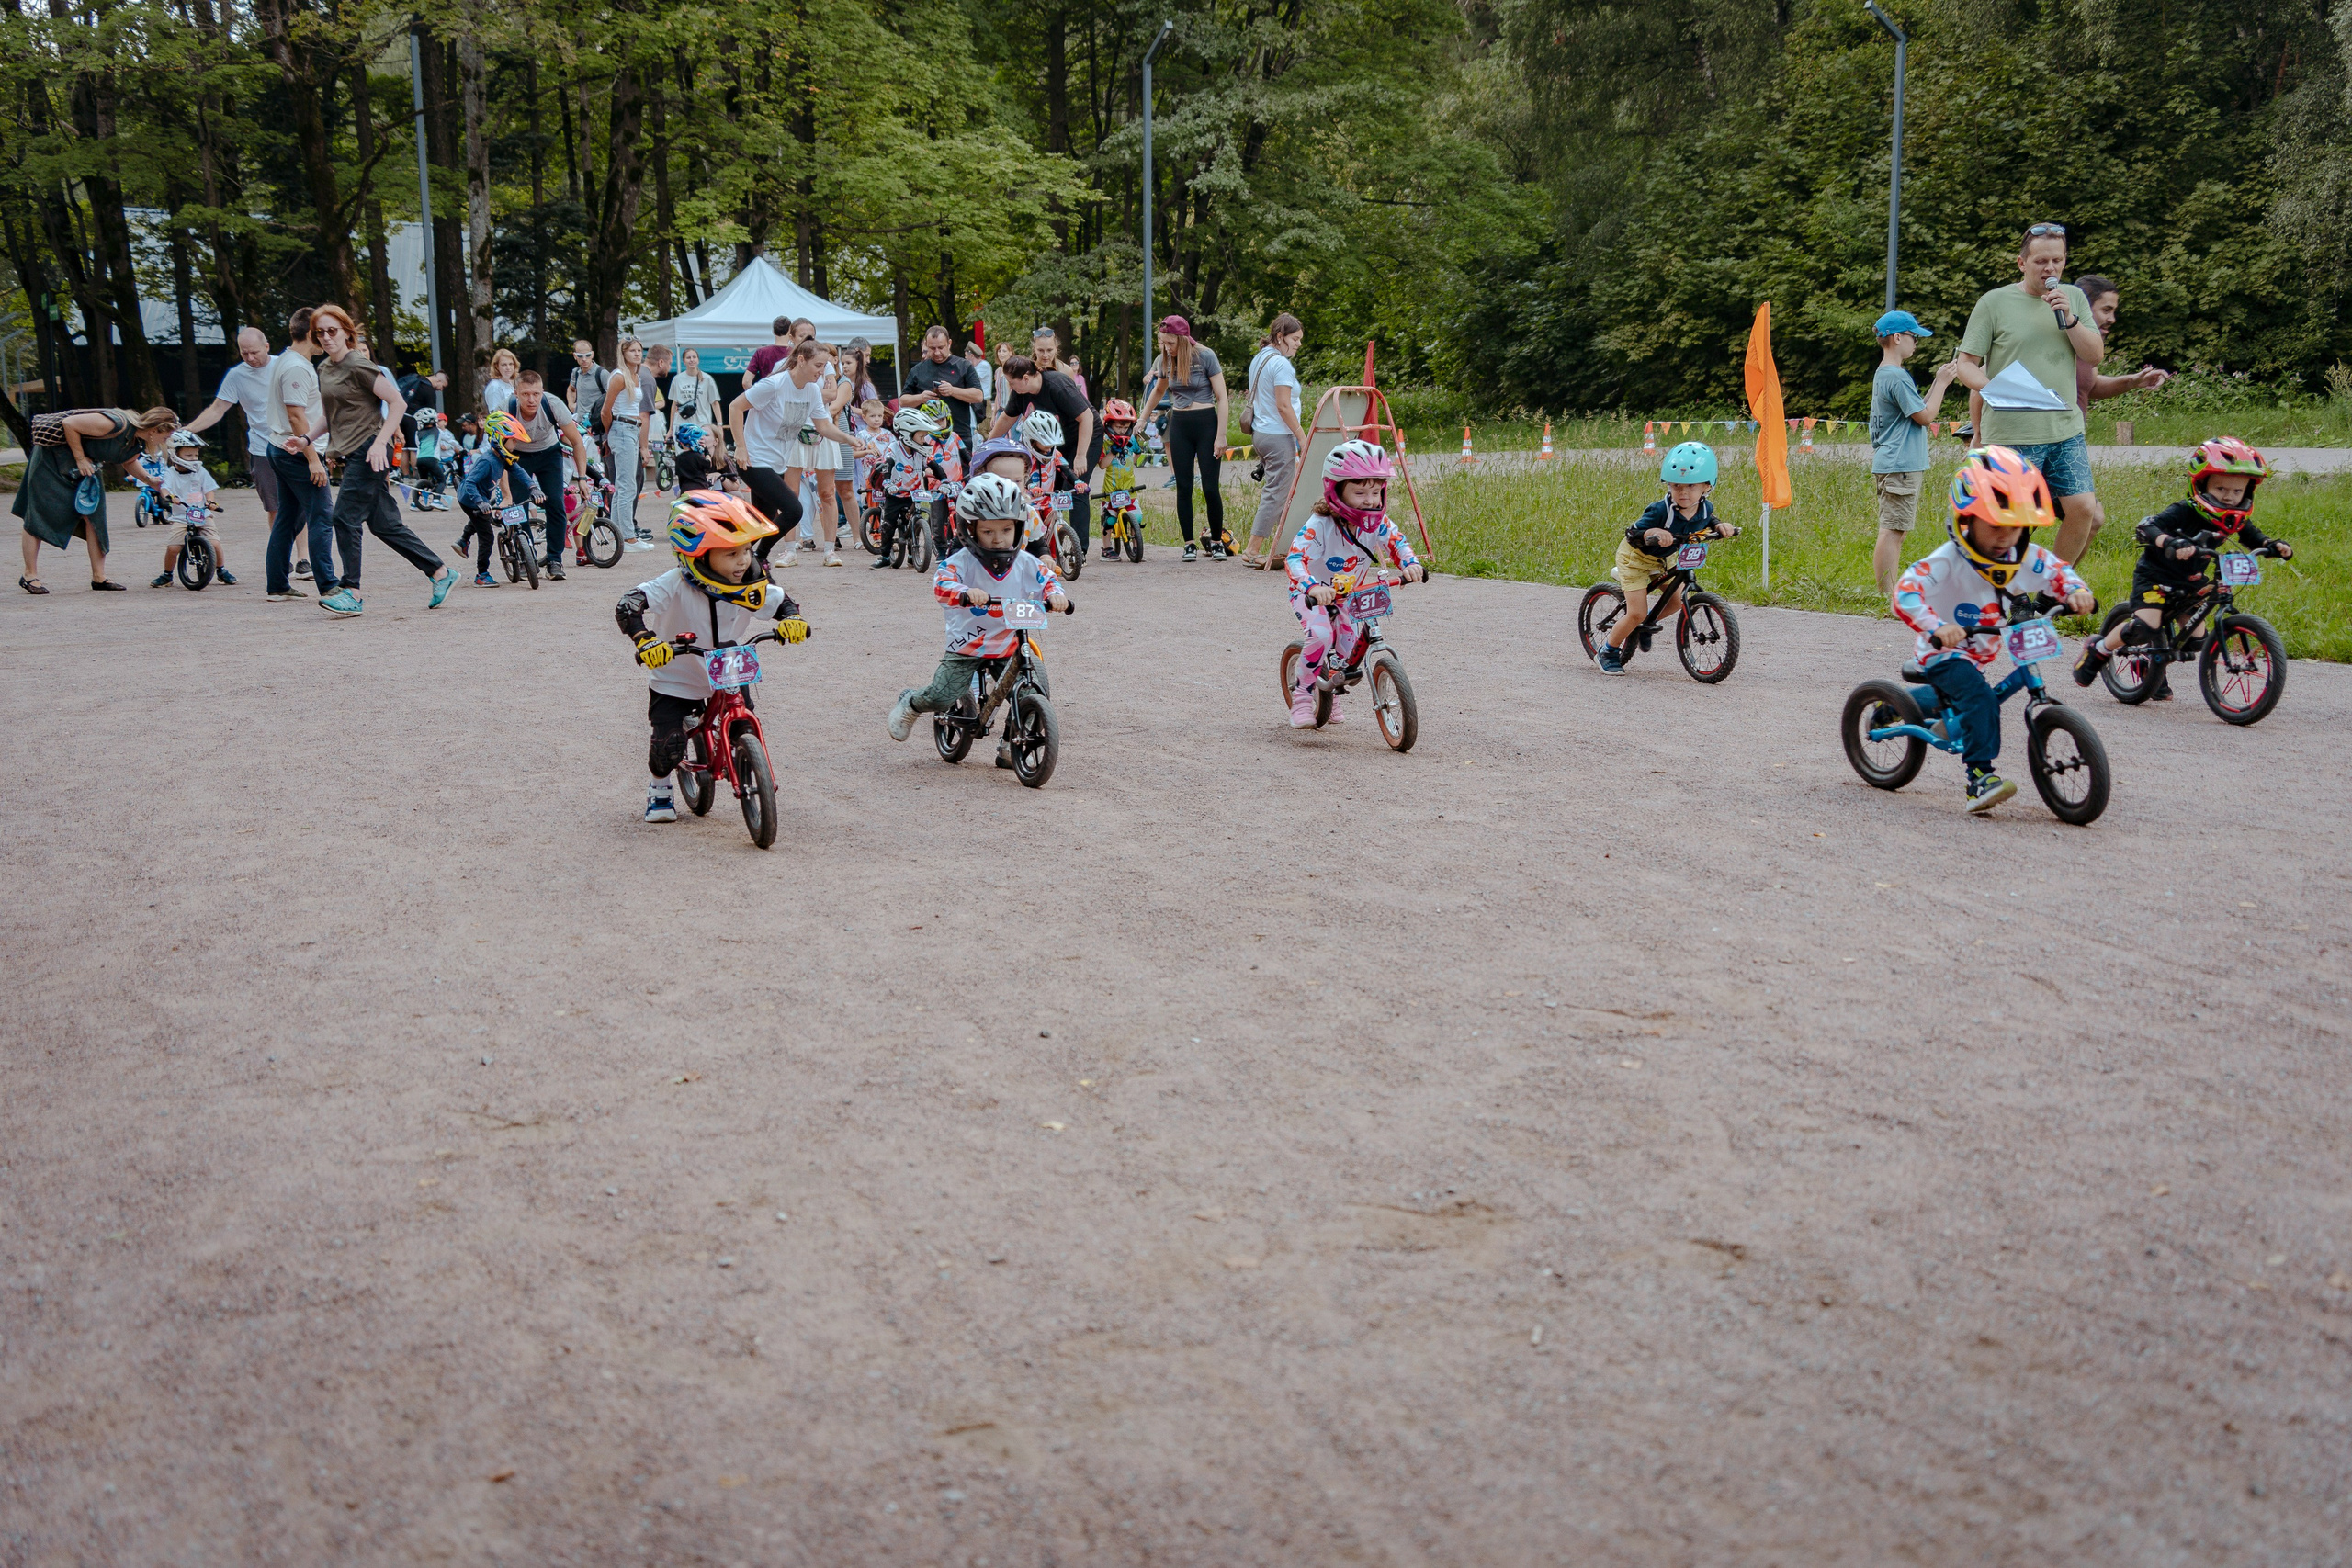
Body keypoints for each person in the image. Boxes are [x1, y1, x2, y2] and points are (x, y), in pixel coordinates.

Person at [1893, 446, 2095, 813]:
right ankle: (1979, 778)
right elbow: (1906, 592)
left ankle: (1895, 707)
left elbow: (2056, 570)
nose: (2006, 538)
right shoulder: (1948, 561)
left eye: (2015, 527)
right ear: (1965, 520)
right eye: (1995, 526)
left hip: (1981, 650)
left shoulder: (2022, 556)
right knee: (1980, 699)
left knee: (1964, 697)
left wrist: (2077, 592)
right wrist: (1937, 627)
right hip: (1944, 650)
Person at [616, 490, 810, 824]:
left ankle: (748, 765)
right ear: (700, 555)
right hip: (676, 674)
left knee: (741, 723)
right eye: (731, 553)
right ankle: (659, 787)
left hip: (730, 669)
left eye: (747, 551)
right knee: (668, 748)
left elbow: (780, 601)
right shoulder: (675, 584)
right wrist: (645, 640)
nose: (743, 561)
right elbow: (629, 605)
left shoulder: (748, 585)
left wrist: (792, 619)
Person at [2072, 437, 2292, 696]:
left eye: (2237, 491)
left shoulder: (2233, 519)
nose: (2230, 497)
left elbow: (2252, 536)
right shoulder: (2185, 511)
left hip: (2191, 581)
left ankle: (2147, 665)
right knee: (2146, 626)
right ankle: (2099, 649)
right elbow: (2146, 526)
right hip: (2155, 578)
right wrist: (2170, 542)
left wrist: (2272, 545)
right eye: (2221, 488)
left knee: (2196, 639)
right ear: (2201, 483)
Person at [1949, 224, 2106, 564]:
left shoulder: (2073, 298)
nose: (2050, 269)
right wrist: (1996, 388)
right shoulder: (1994, 302)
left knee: (2084, 510)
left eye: (2057, 260)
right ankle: (2011, 594)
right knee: (2013, 521)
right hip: (2012, 433)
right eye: (2041, 261)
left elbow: (2094, 355)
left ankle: (2051, 592)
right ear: (2022, 263)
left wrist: (2071, 318)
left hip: (2065, 430)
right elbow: (1966, 365)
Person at [884, 471, 1069, 752]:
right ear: (970, 530)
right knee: (943, 696)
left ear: (1019, 528)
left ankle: (1011, 745)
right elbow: (942, 583)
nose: (998, 540)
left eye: (1007, 530)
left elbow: (1048, 578)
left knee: (1033, 693)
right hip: (967, 645)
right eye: (988, 531)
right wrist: (964, 592)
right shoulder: (962, 562)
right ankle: (911, 702)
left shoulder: (1024, 562)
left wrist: (1055, 596)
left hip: (1009, 644)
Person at [312, 304, 456, 615]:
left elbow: (397, 402)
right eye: (320, 332)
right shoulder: (324, 369)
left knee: (344, 517)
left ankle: (351, 592)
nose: (326, 337)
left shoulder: (358, 364)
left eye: (332, 330)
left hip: (369, 452)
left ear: (347, 332)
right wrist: (308, 439)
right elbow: (331, 416)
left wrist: (380, 443)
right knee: (385, 526)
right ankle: (440, 572)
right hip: (354, 452)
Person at [1283, 440, 1424, 727]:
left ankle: (1333, 694)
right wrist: (1312, 587)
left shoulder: (1378, 520)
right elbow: (1295, 559)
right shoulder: (1319, 525)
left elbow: (1397, 542)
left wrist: (1410, 564)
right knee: (1322, 636)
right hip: (1310, 594)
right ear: (1336, 490)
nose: (1370, 500)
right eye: (1360, 492)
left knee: (1347, 648)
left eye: (1375, 491)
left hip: (1348, 595)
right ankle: (1301, 696)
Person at [1594, 442, 1738, 676]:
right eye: (1676, 485)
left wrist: (1719, 525)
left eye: (1691, 486)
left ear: (1707, 486)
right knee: (1636, 612)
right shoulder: (1660, 510)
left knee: (1676, 600)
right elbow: (1632, 533)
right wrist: (1653, 533)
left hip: (1659, 561)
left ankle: (1644, 627)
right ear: (1668, 485)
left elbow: (1707, 519)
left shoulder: (1704, 507)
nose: (1683, 492)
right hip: (1635, 558)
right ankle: (1607, 651)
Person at [14, 404, 179, 593]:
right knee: (39, 513)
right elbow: (70, 424)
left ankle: (99, 577)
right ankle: (29, 574)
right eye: (165, 437)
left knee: (95, 518)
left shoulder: (137, 441)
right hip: (53, 461)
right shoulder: (117, 423)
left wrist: (149, 481)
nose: (165, 441)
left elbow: (129, 461)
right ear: (155, 430)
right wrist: (80, 458)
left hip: (87, 468)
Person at [729, 340, 857, 564]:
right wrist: (740, 446)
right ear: (801, 360)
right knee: (793, 510)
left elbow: (824, 426)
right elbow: (735, 407)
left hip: (777, 462)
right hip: (753, 460)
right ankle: (759, 558)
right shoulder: (775, 384)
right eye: (818, 365)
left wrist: (849, 440)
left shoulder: (812, 392)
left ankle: (726, 555)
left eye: (825, 365)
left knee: (763, 521)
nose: (822, 371)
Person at [1868, 310, 1962, 596]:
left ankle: (1889, 592)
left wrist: (1937, 380)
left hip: (1895, 462)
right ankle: (1888, 596)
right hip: (1901, 464)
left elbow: (1915, 408)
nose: (1916, 343)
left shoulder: (1888, 374)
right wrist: (1944, 383)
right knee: (1892, 531)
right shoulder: (1896, 376)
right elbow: (1925, 416)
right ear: (1897, 338)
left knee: (1897, 530)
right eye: (1913, 337)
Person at [1131, 316, 1229, 560]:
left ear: (1183, 340)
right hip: (1180, 425)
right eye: (1163, 343)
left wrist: (1221, 435)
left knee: (1209, 487)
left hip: (1206, 423)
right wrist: (1142, 418)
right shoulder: (1166, 359)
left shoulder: (1206, 356)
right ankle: (1189, 544)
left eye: (1170, 343)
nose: (1166, 348)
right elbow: (1159, 389)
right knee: (1183, 487)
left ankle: (1217, 541)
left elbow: (1223, 398)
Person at [262, 306, 337, 601]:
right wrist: (313, 459)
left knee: (288, 519)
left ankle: (277, 585)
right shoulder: (297, 367)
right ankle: (329, 585)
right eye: (322, 331)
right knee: (321, 517)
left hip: (280, 449)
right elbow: (296, 416)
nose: (327, 337)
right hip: (295, 453)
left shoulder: (286, 361)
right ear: (310, 333)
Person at [989, 354, 1095, 554]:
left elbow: (1087, 417)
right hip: (1051, 441)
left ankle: (1078, 551)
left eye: (1012, 383)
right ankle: (1044, 546)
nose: (1011, 388)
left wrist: (1081, 456)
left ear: (1026, 379)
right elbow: (1007, 418)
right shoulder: (1021, 393)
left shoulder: (1056, 385)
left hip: (1083, 434)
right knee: (1047, 493)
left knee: (1075, 485)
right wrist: (989, 445)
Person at [503, 370, 600, 579]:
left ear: (542, 392)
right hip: (517, 456)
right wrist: (505, 493)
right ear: (516, 393)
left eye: (536, 394)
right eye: (526, 394)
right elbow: (498, 452)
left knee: (556, 502)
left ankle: (555, 560)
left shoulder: (554, 405)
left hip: (549, 454)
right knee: (518, 505)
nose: (531, 400)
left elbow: (577, 443)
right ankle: (525, 556)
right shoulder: (505, 409)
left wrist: (582, 478)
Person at [183, 326, 281, 522]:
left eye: (255, 352)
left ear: (267, 346)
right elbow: (217, 409)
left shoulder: (284, 367)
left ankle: (303, 553)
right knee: (275, 508)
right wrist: (186, 430)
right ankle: (280, 552)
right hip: (262, 449)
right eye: (245, 353)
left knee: (299, 505)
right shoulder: (236, 375)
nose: (250, 358)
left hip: (291, 444)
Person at [1242, 313, 1306, 569]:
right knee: (1276, 493)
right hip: (1279, 436)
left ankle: (1290, 545)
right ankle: (1252, 549)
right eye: (1295, 339)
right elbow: (1283, 406)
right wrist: (1302, 436)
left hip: (1262, 433)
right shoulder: (1280, 364)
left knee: (1283, 491)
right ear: (1280, 337)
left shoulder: (1260, 358)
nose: (1299, 344)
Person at [455, 411, 545, 586]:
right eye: (514, 440)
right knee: (486, 534)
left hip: (480, 497)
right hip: (469, 499)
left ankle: (463, 539)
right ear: (500, 439)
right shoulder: (487, 461)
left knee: (483, 517)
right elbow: (470, 484)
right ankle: (481, 575)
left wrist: (533, 488)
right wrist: (480, 502)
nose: (516, 443)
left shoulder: (502, 457)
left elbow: (518, 471)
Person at [868, 405, 962, 569]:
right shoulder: (894, 448)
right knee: (889, 524)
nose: (925, 440)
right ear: (908, 434)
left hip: (914, 493)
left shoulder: (921, 451)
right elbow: (888, 465)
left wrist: (945, 481)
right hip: (896, 493)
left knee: (915, 520)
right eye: (922, 436)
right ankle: (884, 556)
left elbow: (935, 466)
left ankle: (913, 554)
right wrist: (887, 482)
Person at [141, 427, 236, 589]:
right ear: (175, 454)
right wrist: (169, 497)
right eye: (189, 455)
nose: (193, 458)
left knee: (214, 544)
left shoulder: (200, 471)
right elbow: (165, 487)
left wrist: (210, 502)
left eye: (196, 455)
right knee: (173, 548)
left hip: (202, 514)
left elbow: (209, 489)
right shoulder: (171, 473)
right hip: (181, 517)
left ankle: (221, 570)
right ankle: (167, 575)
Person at [2071, 276, 2170, 415]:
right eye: (2106, 310)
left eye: (2113, 311)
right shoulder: (2058, 341)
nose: (2112, 319)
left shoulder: (2087, 349)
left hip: (2076, 436)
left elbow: (2089, 387)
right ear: (2082, 308)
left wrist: (2133, 381)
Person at [602, 337, 653, 551]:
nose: (637, 354)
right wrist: (608, 434)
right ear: (623, 353)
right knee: (626, 484)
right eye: (632, 350)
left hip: (632, 427)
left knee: (624, 484)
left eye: (639, 350)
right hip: (621, 428)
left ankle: (618, 534)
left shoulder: (636, 376)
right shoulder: (620, 376)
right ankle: (628, 537)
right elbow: (606, 410)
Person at [905, 325, 987, 456]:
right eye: (932, 348)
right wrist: (920, 398)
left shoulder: (963, 366)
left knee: (961, 474)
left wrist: (953, 390)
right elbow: (903, 401)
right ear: (926, 345)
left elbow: (978, 396)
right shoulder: (918, 370)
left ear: (949, 343)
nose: (937, 352)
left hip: (959, 434)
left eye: (941, 347)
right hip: (926, 437)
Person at [1097, 400, 1147, 559]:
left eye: (1125, 427)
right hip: (1111, 489)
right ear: (1109, 424)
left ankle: (1136, 546)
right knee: (1110, 519)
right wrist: (1112, 452)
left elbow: (1138, 452)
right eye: (1119, 427)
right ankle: (1106, 548)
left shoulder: (1130, 440)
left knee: (1137, 517)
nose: (1122, 430)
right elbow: (1103, 465)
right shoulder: (1105, 442)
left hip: (1129, 489)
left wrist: (1132, 461)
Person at [669, 349, 727, 461]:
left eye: (694, 357)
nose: (691, 360)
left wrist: (719, 425)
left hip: (702, 422)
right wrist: (671, 428)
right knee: (683, 456)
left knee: (702, 455)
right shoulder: (677, 379)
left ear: (698, 360)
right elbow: (674, 404)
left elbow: (714, 403)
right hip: (682, 423)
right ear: (683, 361)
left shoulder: (707, 379)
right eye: (688, 358)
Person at [409, 411, 453, 510]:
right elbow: (450, 441)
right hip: (431, 459)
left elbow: (418, 445)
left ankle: (415, 503)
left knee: (423, 481)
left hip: (419, 459)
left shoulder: (418, 433)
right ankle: (436, 500)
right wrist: (459, 449)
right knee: (441, 480)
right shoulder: (438, 431)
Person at [566, 340, 612, 435]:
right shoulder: (575, 372)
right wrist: (571, 404)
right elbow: (571, 389)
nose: (584, 359)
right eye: (580, 356)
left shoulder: (602, 373)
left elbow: (612, 398)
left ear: (592, 354)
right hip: (579, 424)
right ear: (575, 356)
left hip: (596, 426)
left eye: (587, 355)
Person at [483, 348, 522, 415]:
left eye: (511, 364)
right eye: (504, 365)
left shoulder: (510, 384)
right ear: (497, 366)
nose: (508, 368)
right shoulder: (495, 387)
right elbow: (495, 415)